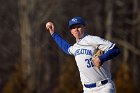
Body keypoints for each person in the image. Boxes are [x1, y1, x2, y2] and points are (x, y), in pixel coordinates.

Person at [46, 16, 120, 93]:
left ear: (84, 27)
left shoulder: (93, 40)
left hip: (104, 87)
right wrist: (53, 34)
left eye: (78, 27)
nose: (76, 30)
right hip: (87, 89)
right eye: (73, 28)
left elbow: (115, 49)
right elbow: (66, 48)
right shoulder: (75, 47)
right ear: (71, 31)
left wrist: (101, 58)